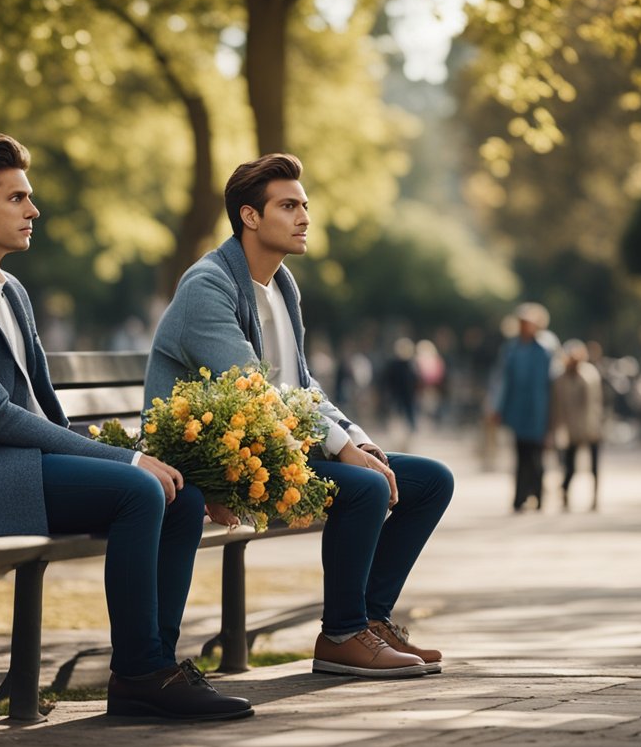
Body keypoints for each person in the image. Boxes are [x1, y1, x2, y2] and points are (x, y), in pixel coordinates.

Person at [0, 134, 252, 721]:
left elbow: (44, 408)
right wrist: (128, 463)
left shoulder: (13, 291)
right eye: (17, 199)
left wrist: (118, 453)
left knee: (180, 493)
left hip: (19, 467)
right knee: (138, 490)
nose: (33, 211)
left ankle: (156, 663)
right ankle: (139, 673)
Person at [145, 153, 454, 678]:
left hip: (274, 447)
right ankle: (341, 634)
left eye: (304, 205)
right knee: (367, 488)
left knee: (429, 481)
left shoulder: (283, 285)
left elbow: (302, 384)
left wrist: (358, 438)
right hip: (219, 460)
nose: (304, 217)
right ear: (249, 216)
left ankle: (371, 622)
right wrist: (342, 450)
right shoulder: (208, 287)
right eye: (288, 206)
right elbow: (257, 390)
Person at [490, 303, 554, 512]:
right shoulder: (511, 349)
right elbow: (502, 380)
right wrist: (496, 407)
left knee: (536, 455)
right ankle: (519, 496)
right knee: (520, 453)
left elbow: (552, 384)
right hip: (517, 408)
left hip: (538, 409)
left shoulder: (545, 350)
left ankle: (537, 493)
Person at [549, 339, 604, 511]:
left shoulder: (589, 374)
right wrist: (555, 428)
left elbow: (596, 401)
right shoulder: (560, 379)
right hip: (571, 428)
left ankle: (595, 497)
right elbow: (557, 406)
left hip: (591, 426)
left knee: (594, 467)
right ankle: (565, 492)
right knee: (570, 466)